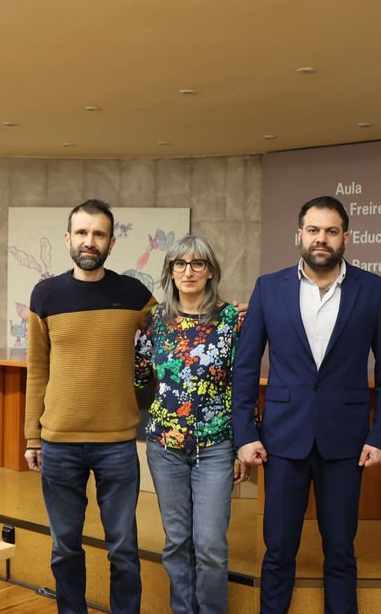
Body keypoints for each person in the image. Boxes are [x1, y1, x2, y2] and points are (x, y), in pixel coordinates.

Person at [232, 195, 381, 614]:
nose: (321, 239)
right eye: (313, 230)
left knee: (341, 551)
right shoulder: (268, 288)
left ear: (346, 237)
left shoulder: (374, 290)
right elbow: (246, 367)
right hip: (282, 441)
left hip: (346, 443)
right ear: (299, 235)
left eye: (330, 231)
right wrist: (245, 434)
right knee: (278, 551)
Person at [24, 199, 155, 614]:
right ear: (68, 238)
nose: (89, 241)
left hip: (118, 443)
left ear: (112, 242)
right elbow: (36, 370)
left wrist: (223, 316)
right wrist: (32, 436)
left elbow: (176, 335)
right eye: (82, 233)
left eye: (99, 234)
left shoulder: (134, 294)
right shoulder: (45, 294)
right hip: (59, 443)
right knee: (65, 548)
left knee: (124, 550)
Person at [135, 234, 247, 614]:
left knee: (211, 545)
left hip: (215, 448)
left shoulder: (232, 320)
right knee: (177, 541)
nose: (188, 271)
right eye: (179, 264)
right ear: (169, 271)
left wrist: (242, 446)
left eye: (198, 263)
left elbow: (242, 386)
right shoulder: (155, 321)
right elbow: (138, 376)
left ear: (210, 271)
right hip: (164, 449)